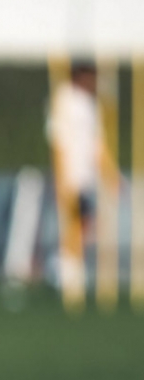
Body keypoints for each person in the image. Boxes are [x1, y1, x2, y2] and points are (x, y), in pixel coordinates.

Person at [46, 61, 119, 306]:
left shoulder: (91, 104)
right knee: (74, 224)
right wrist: (62, 174)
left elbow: (96, 144)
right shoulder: (64, 99)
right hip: (70, 174)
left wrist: (110, 174)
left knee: (86, 224)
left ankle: (67, 266)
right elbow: (58, 139)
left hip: (85, 175)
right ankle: (66, 271)